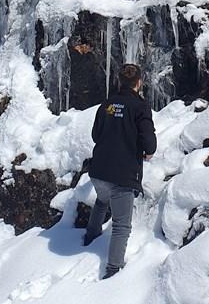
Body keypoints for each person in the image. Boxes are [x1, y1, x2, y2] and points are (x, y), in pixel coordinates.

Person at [84, 63, 157, 279]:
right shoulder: (140, 106)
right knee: (121, 224)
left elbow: (96, 135)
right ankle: (113, 270)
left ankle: (91, 235)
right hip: (123, 174)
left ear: (119, 81)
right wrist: (148, 151)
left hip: (99, 170)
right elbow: (149, 139)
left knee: (101, 200)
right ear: (139, 83)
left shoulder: (107, 104)